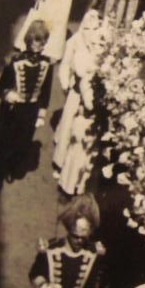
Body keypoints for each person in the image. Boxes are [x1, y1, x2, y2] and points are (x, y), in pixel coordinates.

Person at [0, 21, 52, 194]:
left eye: (42, 41)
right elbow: (1, 87)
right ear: (28, 40)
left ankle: (12, 166)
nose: (38, 46)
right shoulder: (15, 62)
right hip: (12, 111)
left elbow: (46, 91)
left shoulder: (47, 64)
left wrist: (41, 113)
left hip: (30, 111)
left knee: (22, 143)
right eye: (35, 41)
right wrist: (8, 95)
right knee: (4, 144)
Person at [52, 11, 105, 195]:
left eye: (95, 26)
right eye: (88, 26)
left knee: (83, 136)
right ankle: (60, 163)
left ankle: (76, 175)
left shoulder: (102, 44)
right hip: (76, 92)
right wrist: (65, 83)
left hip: (91, 95)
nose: (92, 30)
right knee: (68, 127)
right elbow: (65, 64)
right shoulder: (74, 41)